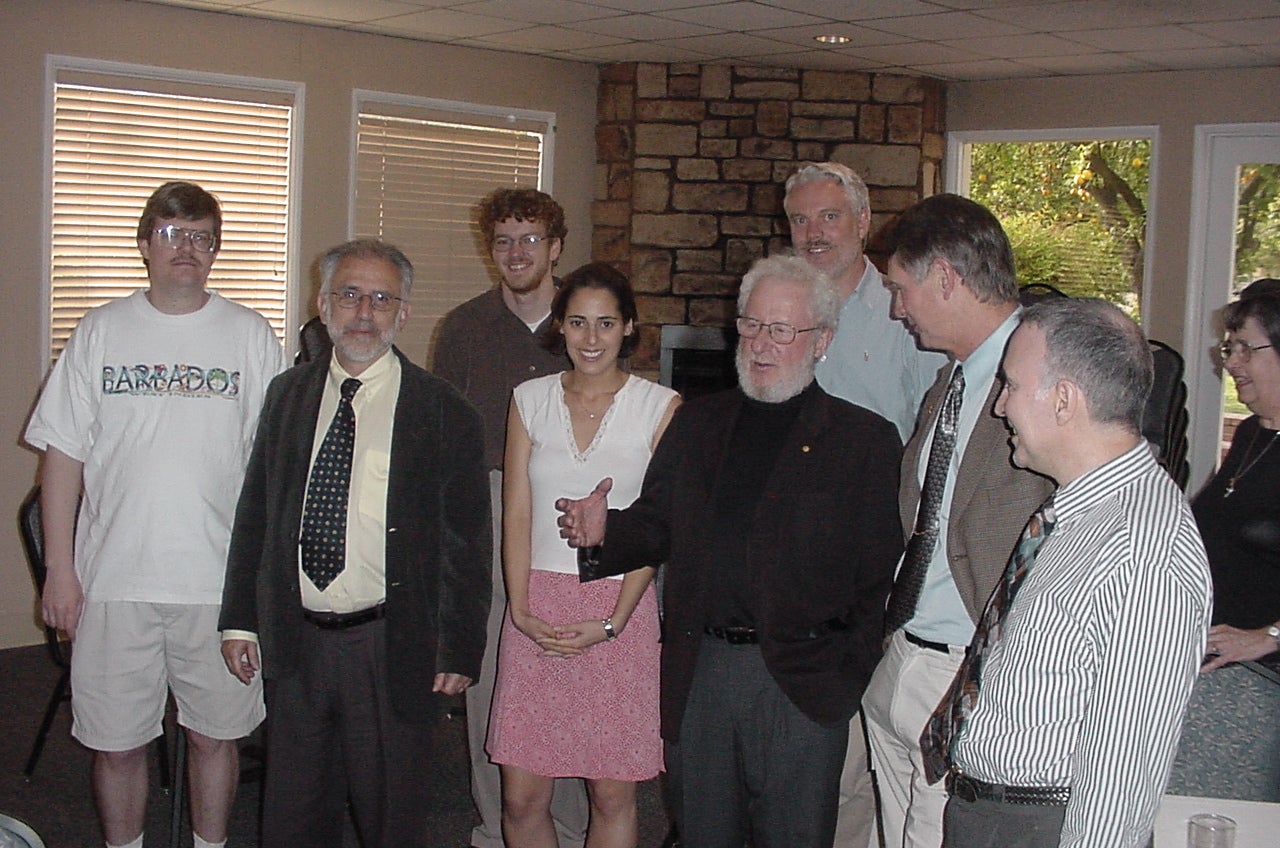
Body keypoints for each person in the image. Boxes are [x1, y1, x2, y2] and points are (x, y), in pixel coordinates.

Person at [556, 254, 903, 848]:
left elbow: (879, 582)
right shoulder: (699, 423)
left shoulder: (864, 440)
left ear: (823, 340)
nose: (760, 345)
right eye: (750, 324)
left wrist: (842, 679)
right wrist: (604, 532)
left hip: (800, 683)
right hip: (704, 674)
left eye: (781, 330)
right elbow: (657, 524)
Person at [24, 180, 285, 848]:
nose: (186, 249)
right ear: (145, 244)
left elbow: (274, 468)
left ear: (215, 249)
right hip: (114, 582)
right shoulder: (101, 331)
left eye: (200, 237)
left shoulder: (250, 336)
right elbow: (62, 459)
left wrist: (262, 584)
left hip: (217, 589)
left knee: (214, 738)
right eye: (172, 234)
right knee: (115, 746)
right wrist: (60, 571)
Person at [218, 239, 491, 848]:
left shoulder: (445, 411)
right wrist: (239, 620)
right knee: (293, 810)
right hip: (297, 642)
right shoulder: (287, 396)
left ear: (403, 313)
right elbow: (257, 510)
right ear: (322, 304)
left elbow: (467, 543)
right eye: (349, 295)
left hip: (392, 643)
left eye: (381, 298)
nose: (363, 311)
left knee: (390, 811)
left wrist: (458, 646)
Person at [933, 297, 1211, 847]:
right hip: (996, 816)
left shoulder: (1142, 547)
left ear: (1064, 400)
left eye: (1011, 385)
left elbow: (1123, 774)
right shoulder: (1077, 512)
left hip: (1039, 828)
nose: (999, 407)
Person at [861, 194, 1054, 848]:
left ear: (945, 277)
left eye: (901, 288)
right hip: (901, 659)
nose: (895, 308)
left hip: (969, 675)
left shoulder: (1053, 377)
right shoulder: (951, 382)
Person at [487, 262, 680, 847]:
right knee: (521, 796)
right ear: (560, 327)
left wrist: (614, 621)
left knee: (611, 792)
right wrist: (518, 611)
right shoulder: (529, 399)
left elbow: (658, 523)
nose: (590, 338)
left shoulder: (661, 406)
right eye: (577, 322)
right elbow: (516, 511)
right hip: (535, 602)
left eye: (604, 323)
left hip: (619, 607)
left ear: (628, 328)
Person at [785, 160, 947, 848]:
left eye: (828, 216)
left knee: (855, 744)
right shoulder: (783, 302)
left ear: (862, 221)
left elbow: (929, 442)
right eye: (799, 218)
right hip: (788, 550)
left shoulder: (902, 312)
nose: (813, 233)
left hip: (869, 559)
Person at [432, 187, 588, 848]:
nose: (515, 252)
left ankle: (574, 822)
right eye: (503, 240)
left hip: (569, 508)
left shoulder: (587, 321)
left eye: (529, 239)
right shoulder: (462, 327)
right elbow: (444, 446)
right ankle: (500, 824)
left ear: (555, 248)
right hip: (490, 504)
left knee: (569, 665)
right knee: (494, 669)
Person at [1166, 278, 1280, 801]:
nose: (1230, 362)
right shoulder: (1257, 433)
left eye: (1243, 348)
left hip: (1266, 687)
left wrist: (1270, 637)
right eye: (1227, 347)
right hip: (1218, 674)